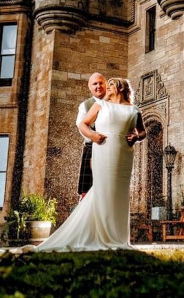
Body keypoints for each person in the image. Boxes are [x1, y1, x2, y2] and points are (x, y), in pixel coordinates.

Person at [37, 77, 146, 252]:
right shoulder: (101, 105)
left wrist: (136, 137)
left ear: (121, 87)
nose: (106, 87)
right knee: (103, 190)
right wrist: (94, 136)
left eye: (110, 84)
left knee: (120, 193)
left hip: (125, 154)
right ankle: (101, 235)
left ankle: (118, 237)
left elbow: (142, 132)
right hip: (104, 149)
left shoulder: (134, 109)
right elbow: (83, 124)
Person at [76, 72, 107, 200]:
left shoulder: (115, 102)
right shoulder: (85, 105)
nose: (98, 86)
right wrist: (93, 136)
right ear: (90, 87)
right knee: (89, 190)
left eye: (101, 83)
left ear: (106, 85)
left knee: (108, 186)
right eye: (95, 84)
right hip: (92, 148)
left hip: (111, 148)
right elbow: (80, 125)